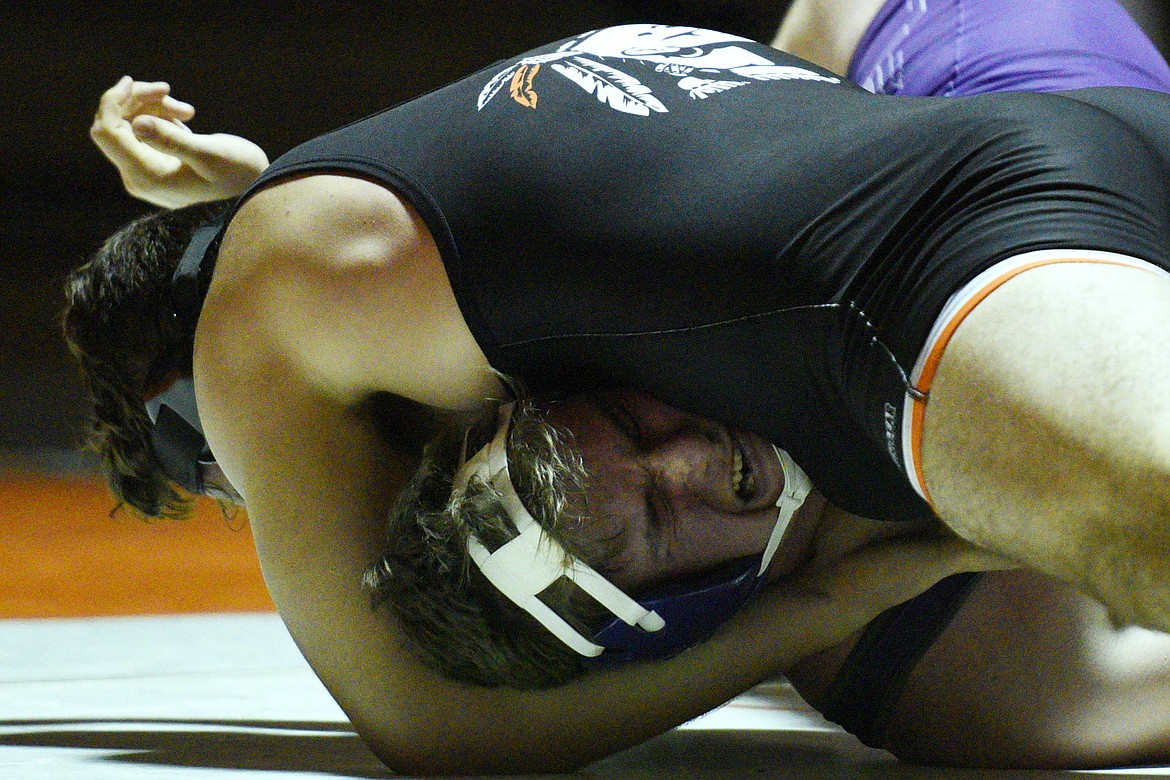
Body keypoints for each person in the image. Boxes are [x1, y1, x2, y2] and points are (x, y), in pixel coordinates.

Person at [70, 0, 1170, 772]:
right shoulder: (409, 247)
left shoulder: (263, 327)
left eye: (237, 472)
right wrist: (251, 186)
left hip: (954, 255)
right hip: (998, 98)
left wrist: (838, 600)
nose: (288, 500)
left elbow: (436, 734)